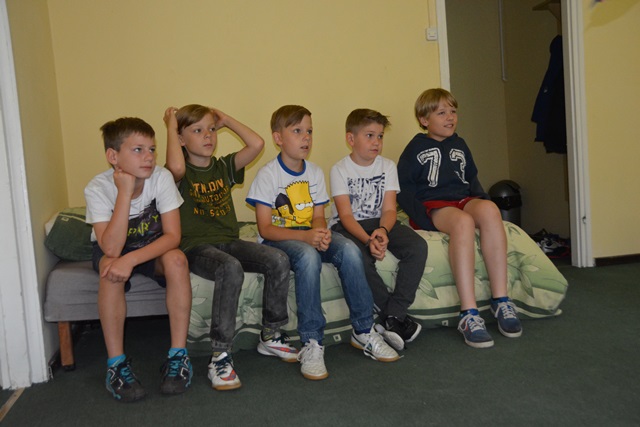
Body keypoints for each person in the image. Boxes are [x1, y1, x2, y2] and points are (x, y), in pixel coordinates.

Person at [246, 105, 399, 381]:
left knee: (350, 249)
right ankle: (312, 341)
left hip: (308, 235)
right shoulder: (268, 175)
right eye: (297, 131)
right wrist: (307, 237)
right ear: (278, 138)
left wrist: (320, 232)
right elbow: (265, 228)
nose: (306, 137)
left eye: (309, 131)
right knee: (308, 256)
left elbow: (318, 216)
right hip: (278, 240)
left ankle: (364, 330)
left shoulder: (314, 172)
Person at [164, 104, 296, 391]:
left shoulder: (223, 167)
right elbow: (175, 166)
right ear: (181, 139)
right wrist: (171, 126)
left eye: (211, 129)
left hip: (230, 241)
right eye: (197, 131)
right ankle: (220, 356)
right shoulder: (179, 174)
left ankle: (271, 334)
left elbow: (256, 143)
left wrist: (226, 120)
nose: (208, 135)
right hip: (196, 246)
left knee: (278, 258)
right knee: (230, 267)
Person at [397, 88, 523, 349]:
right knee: (463, 223)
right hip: (435, 205)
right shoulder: (415, 148)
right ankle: (469, 313)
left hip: (463, 199)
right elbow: (404, 189)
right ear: (424, 120)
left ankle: (501, 300)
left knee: (491, 210)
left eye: (453, 111)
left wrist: (481, 201)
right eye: (441, 113)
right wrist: (422, 219)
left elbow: (471, 179)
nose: (450, 117)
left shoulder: (460, 144)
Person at [84, 117, 193, 402]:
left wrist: (130, 260)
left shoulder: (161, 178)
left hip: (152, 247)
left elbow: (173, 236)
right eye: (138, 150)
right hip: (113, 249)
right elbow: (111, 248)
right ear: (113, 156)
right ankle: (116, 364)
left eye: (152, 149)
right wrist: (124, 192)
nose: (149, 157)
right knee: (110, 268)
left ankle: (178, 356)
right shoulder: (97, 188)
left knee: (177, 260)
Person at [329, 109, 428, 351]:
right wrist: (367, 240)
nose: (376, 142)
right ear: (351, 139)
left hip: (382, 222)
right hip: (349, 226)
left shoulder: (388, 166)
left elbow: (390, 209)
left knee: (417, 246)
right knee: (359, 259)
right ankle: (393, 318)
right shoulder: (339, 169)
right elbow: (346, 216)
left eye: (380, 136)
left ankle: (393, 314)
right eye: (370, 135)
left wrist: (383, 230)